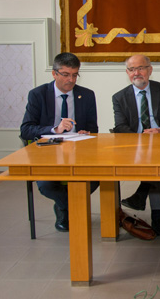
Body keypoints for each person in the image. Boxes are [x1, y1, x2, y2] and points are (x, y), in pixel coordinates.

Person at [20, 52, 99, 232]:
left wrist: (86, 132)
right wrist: (55, 129)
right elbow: (25, 129)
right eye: (65, 74)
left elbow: (93, 129)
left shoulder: (86, 95)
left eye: (74, 75)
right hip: (47, 153)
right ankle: (67, 207)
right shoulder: (38, 95)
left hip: (78, 152)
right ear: (54, 74)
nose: (70, 80)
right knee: (47, 184)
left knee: (97, 178)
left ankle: (64, 206)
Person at [112, 54, 160, 236]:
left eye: (140, 68)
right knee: (154, 164)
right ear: (127, 73)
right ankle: (156, 214)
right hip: (135, 145)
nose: (136, 73)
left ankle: (146, 202)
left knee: (156, 160)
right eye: (132, 70)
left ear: (150, 70)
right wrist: (140, 138)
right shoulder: (119, 97)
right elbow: (120, 126)